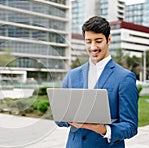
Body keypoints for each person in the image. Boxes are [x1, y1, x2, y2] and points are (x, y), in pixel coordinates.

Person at [56, 16, 138, 147]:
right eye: (88, 41)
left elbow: (131, 126)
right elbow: (59, 119)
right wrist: (69, 120)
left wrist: (104, 129)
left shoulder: (125, 78)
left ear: (108, 40)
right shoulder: (72, 75)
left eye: (98, 41)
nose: (93, 47)